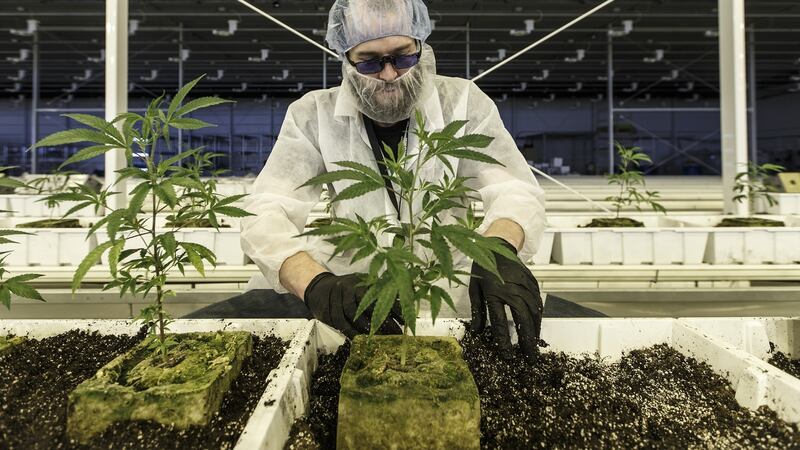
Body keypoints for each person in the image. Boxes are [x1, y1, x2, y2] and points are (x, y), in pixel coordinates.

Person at [188, 0, 598, 356]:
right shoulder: (313, 115)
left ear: (422, 44)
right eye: (370, 60)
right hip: (353, 294)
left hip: (451, 287)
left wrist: (500, 252)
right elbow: (268, 207)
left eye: (402, 56)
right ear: (345, 59)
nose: (389, 74)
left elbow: (511, 188)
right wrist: (315, 285)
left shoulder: (463, 103)